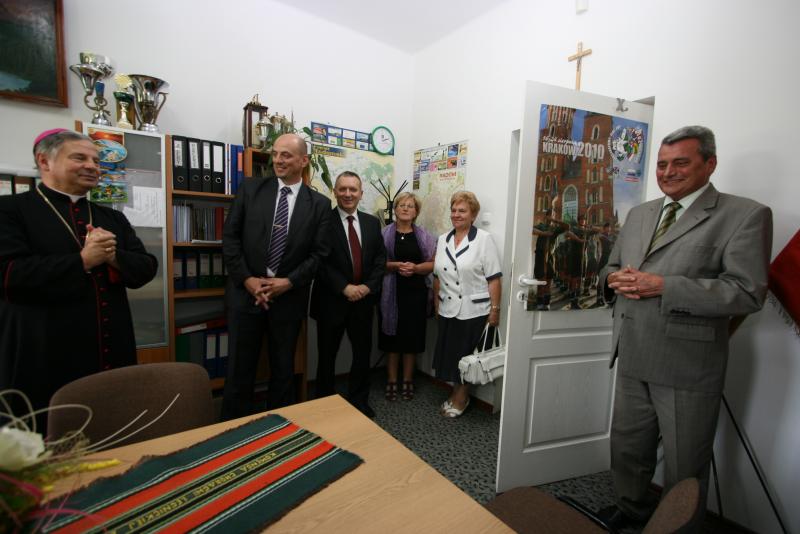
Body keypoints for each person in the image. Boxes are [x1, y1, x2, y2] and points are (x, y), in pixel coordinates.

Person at [596, 126, 773, 529]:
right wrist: (611, 279)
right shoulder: (640, 214)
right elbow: (611, 266)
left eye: (680, 163)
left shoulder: (744, 215)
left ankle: (677, 528)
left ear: (710, 164)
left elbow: (747, 293)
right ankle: (631, 510)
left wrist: (664, 286)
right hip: (632, 352)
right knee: (627, 449)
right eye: (661, 164)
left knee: (684, 465)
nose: (668, 172)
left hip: (687, 365)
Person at [0, 129, 158, 422]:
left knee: (114, 424)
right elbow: (10, 276)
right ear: (44, 162)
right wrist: (83, 260)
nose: (92, 166)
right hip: (42, 350)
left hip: (111, 348)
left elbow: (146, 268)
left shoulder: (111, 217)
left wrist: (112, 256)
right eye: (79, 158)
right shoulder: (10, 210)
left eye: (96, 161)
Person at [222, 133, 331, 418]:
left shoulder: (319, 204)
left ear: (304, 161)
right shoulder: (250, 190)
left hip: (288, 300)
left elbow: (319, 254)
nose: (278, 160)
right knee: (239, 370)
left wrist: (289, 282)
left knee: (283, 370)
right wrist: (248, 280)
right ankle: (232, 430)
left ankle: (279, 429)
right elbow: (230, 239)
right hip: (245, 296)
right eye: (275, 154)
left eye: (286, 155)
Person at [310, 172, 385, 417]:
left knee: (362, 355)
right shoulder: (323, 222)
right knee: (327, 356)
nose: (348, 194)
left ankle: (359, 401)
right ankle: (324, 404)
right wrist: (344, 287)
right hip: (331, 301)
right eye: (342, 189)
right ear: (335, 192)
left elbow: (380, 260)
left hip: (363, 302)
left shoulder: (372, 223)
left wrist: (367, 287)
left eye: (353, 189)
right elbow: (319, 261)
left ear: (361, 193)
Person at [432, 191, 502, 418]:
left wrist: (495, 310)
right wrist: (436, 303)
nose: (456, 214)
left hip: (473, 310)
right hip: (447, 307)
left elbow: (494, 278)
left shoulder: (483, 239)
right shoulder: (443, 239)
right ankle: (456, 394)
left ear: (473, 215)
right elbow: (437, 276)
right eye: (453, 210)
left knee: (466, 358)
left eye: (462, 211)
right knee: (451, 356)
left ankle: (461, 398)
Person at [378, 192, 436, 401]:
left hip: (416, 294)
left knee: (411, 339)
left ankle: (408, 380)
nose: (405, 208)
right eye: (401, 205)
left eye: (410, 206)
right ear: (395, 210)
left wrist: (417, 268)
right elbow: (376, 263)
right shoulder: (383, 234)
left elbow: (433, 263)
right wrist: (395, 265)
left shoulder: (425, 236)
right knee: (392, 340)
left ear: (416, 212)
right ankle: (392, 381)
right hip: (390, 293)